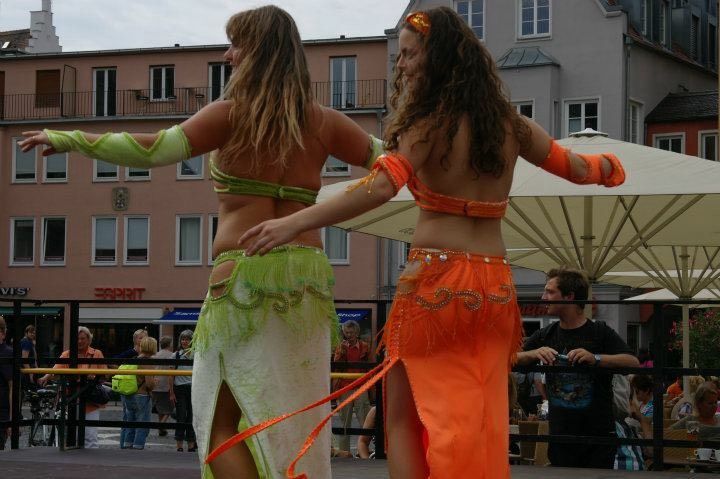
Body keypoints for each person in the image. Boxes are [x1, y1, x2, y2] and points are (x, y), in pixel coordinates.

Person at [230, 7, 626, 478]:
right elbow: (579, 169)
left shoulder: (428, 123)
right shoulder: (511, 125)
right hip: (495, 290)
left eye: (410, 54)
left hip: (434, 285)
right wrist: (611, 168)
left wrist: (293, 224)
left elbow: (378, 188)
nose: (400, 65)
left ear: (437, 58)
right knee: (478, 413)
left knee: (404, 414)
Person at [19, 5, 381, 477]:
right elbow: (393, 168)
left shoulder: (229, 115)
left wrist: (74, 140)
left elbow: (150, 150)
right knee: (292, 417)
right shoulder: (325, 122)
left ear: (256, 54)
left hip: (242, 277)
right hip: (307, 281)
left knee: (218, 422)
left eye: (236, 45)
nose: (228, 55)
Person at [517, 267, 639, 469]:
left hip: (597, 437)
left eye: (550, 291)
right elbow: (510, 359)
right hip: (560, 437)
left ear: (569, 296)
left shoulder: (599, 332)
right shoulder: (546, 334)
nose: (543, 296)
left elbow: (632, 362)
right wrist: (533, 353)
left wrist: (596, 358)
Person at [38, 326, 105, 448]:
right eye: (77, 339)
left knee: (90, 436)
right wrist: (46, 377)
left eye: (83, 338)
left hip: (90, 401)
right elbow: (55, 369)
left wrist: (94, 376)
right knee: (72, 435)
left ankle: (91, 463)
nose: (80, 341)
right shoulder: (67, 354)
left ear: (88, 339)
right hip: (71, 399)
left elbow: (104, 375)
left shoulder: (97, 353)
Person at [332, 320, 371, 453]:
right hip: (345, 387)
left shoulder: (365, 346)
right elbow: (336, 364)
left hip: (361, 386)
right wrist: (340, 351)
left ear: (357, 333)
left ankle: (365, 450)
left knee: (364, 420)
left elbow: (370, 364)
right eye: (346, 332)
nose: (349, 335)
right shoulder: (341, 347)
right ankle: (344, 452)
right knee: (344, 421)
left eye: (351, 332)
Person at [120, 336, 157, 450]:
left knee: (130, 422)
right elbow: (149, 384)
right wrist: (155, 383)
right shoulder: (148, 362)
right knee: (143, 424)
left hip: (129, 394)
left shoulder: (134, 359)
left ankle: (127, 444)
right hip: (142, 395)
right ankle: (138, 446)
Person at [173, 329, 196, 453]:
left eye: (187, 339)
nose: (184, 341)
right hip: (180, 388)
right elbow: (171, 376)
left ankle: (191, 445)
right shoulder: (176, 355)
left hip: (193, 388)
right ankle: (179, 445)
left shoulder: (196, 354)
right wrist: (171, 392)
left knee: (192, 417)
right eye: (182, 339)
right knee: (181, 416)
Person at [151, 336, 174, 437]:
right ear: (170, 344)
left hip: (155, 384)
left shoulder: (155, 355)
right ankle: (161, 425)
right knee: (169, 409)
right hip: (166, 385)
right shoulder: (172, 355)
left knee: (160, 408)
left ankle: (162, 429)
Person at [0, 317, 12, 450]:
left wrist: (11, 420)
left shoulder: (7, 354)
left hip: (1, 414)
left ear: (3, 333)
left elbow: (13, 388)